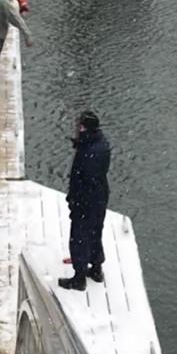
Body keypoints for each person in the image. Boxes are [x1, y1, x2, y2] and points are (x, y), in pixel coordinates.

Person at [58, 110, 111, 291]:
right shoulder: (101, 143)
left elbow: (84, 179)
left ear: (82, 128)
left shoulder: (89, 150)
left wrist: (75, 200)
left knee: (80, 236)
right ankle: (96, 269)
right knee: (95, 232)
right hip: (99, 198)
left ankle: (79, 278)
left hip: (86, 202)